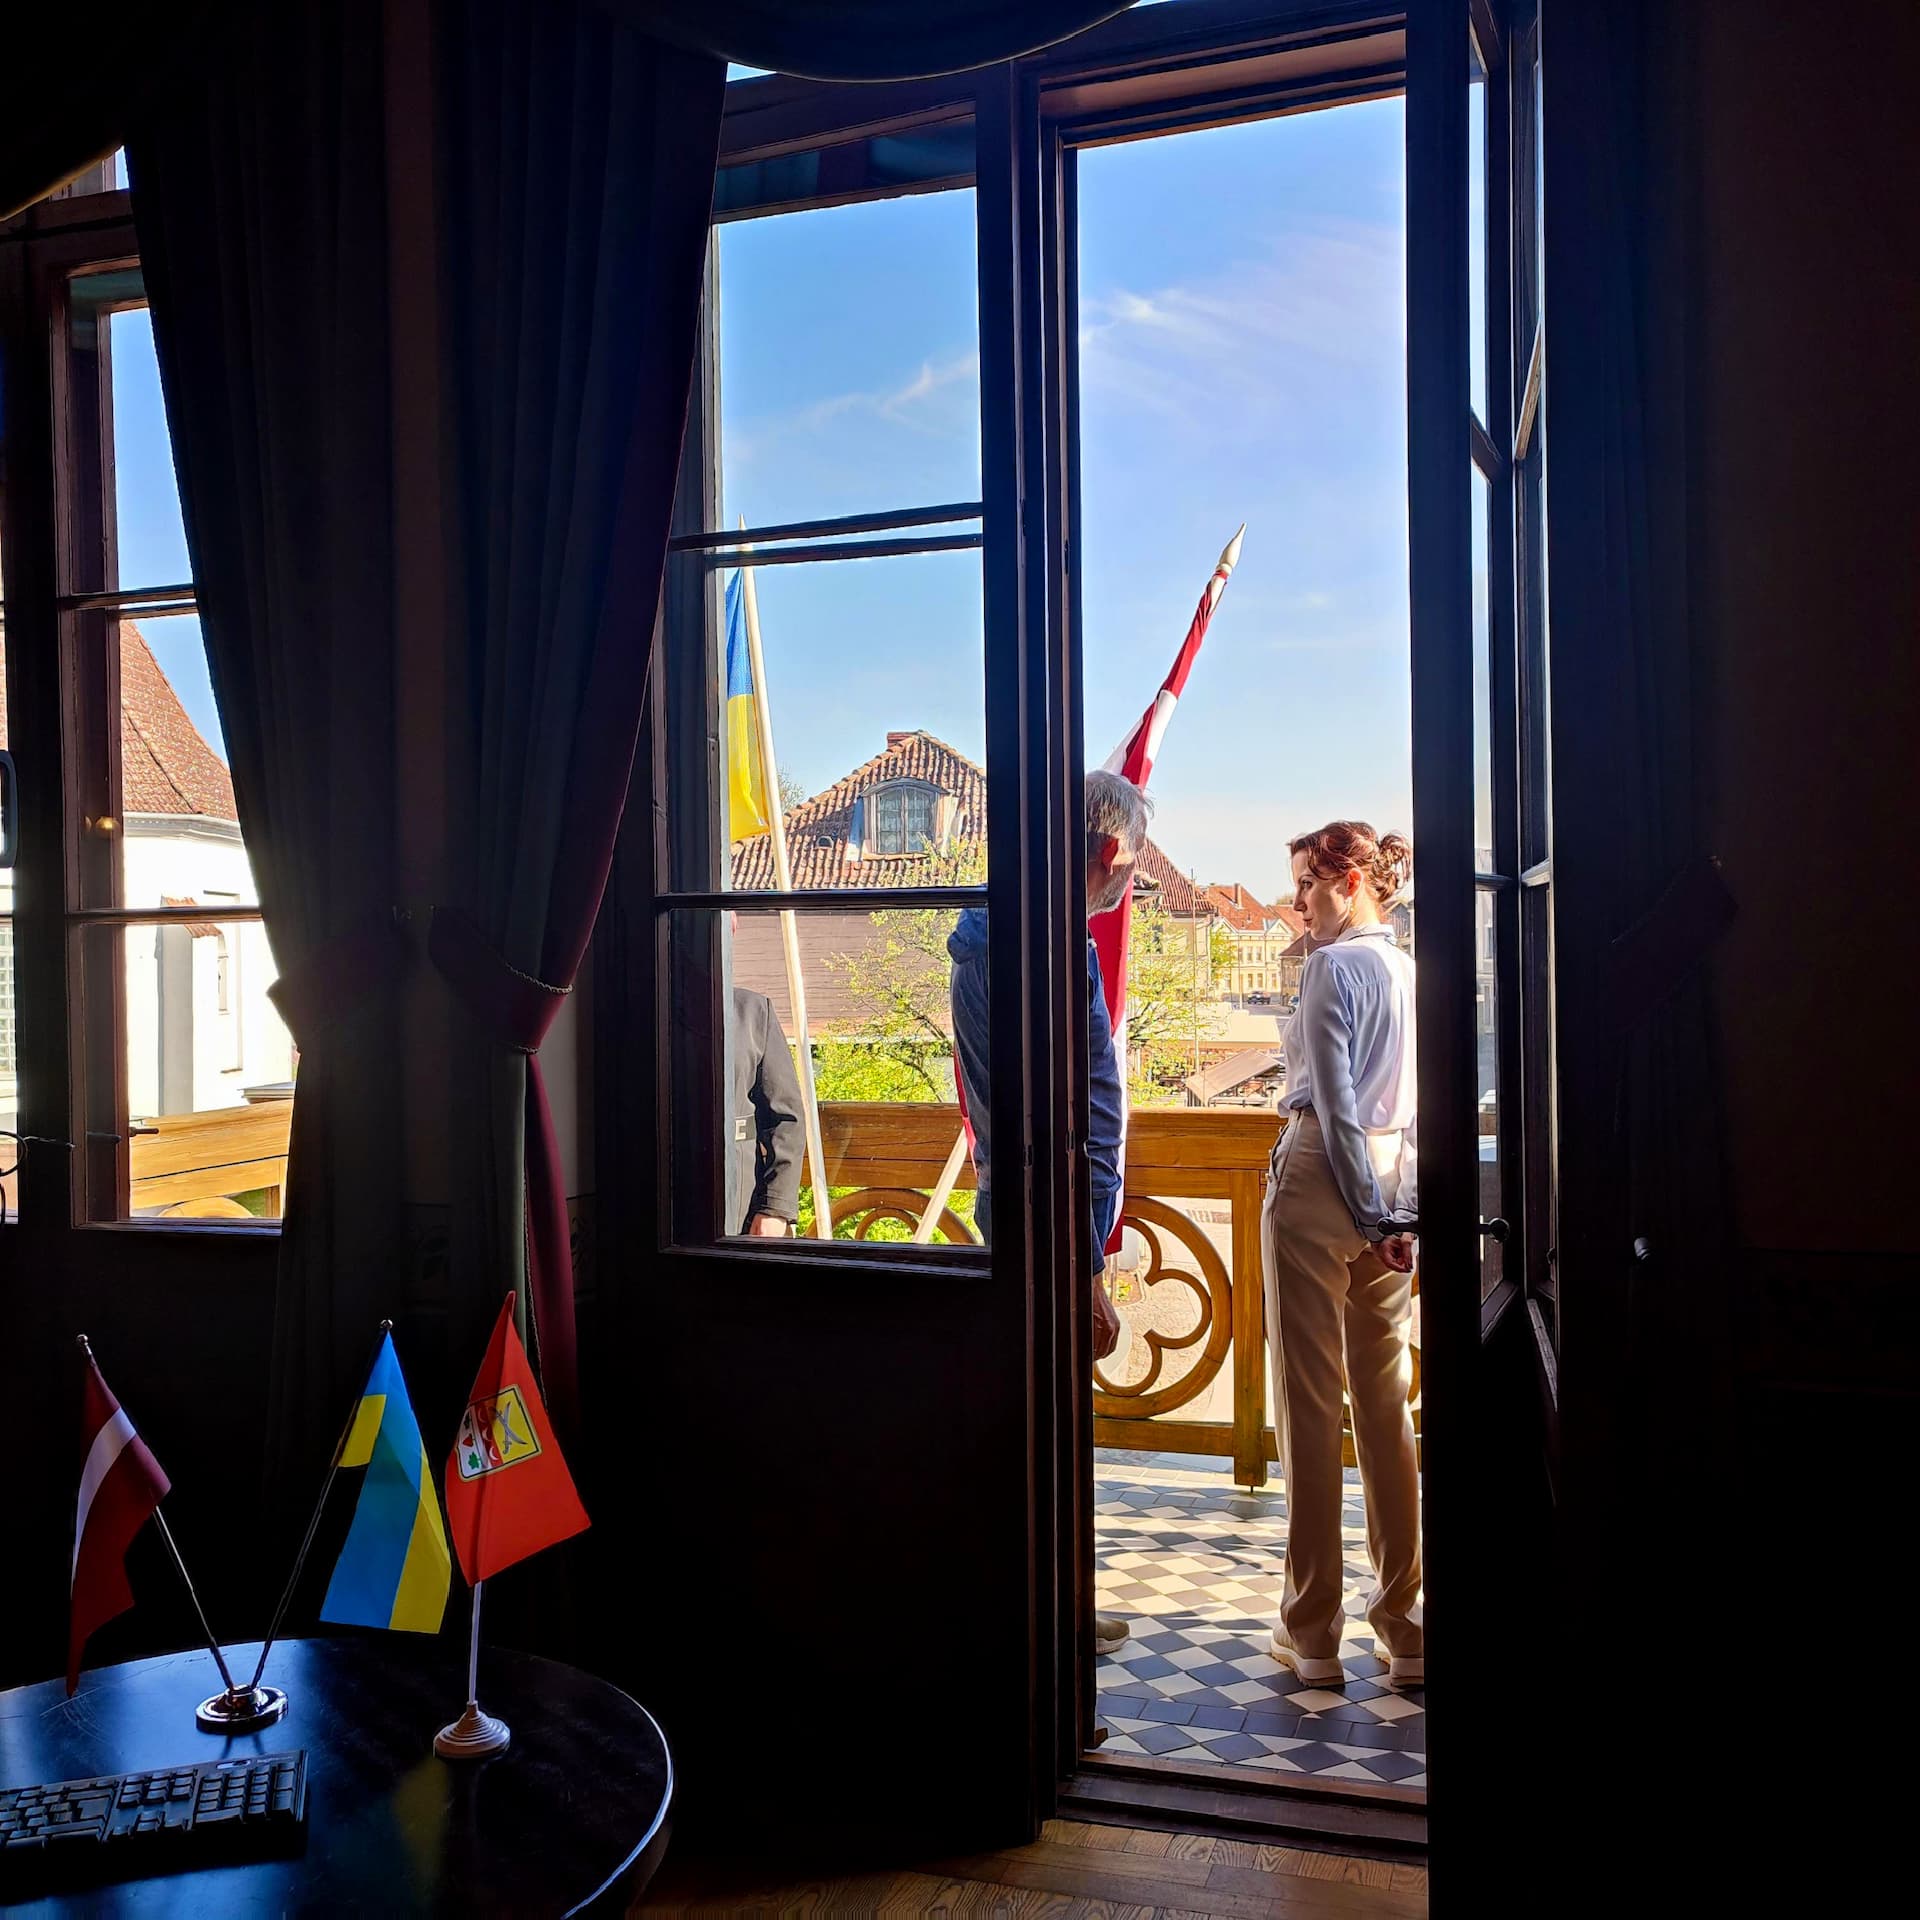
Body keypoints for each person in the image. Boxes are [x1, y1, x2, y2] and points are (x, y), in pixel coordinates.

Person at [948, 769, 1146, 1655]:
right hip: (1047, 1221)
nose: (1129, 883)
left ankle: (1049, 1599)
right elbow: (1053, 1124)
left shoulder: (1010, 934)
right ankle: (1041, 1615)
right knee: (1045, 1426)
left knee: (1040, 1419)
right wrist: (1087, 1265)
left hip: (1032, 1209)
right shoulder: (1038, 948)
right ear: (1109, 850)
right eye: (1133, 865)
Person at [1263, 820, 1422, 1690]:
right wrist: (1402, 1214)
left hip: (1326, 1179)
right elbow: (1419, 1108)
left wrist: (1365, 1212)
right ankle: (1405, 1625)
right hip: (1393, 1186)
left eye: (1307, 884)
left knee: (1311, 1406)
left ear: (1352, 881)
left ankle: (1314, 1630)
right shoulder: (1411, 970)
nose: (1297, 904)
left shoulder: (1332, 968)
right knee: (1387, 1408)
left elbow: (1333, 1100)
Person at [727, 985, 805, 1237]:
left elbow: (786, 1118)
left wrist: (775, 1208)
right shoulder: (634, 1005)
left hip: (735, 1203)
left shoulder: (751, 1011)